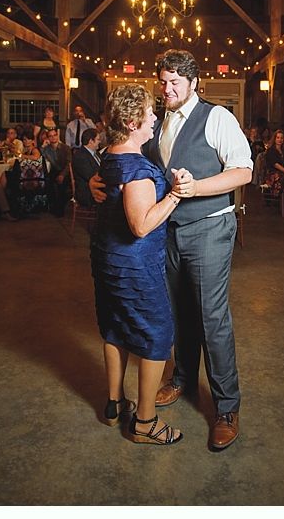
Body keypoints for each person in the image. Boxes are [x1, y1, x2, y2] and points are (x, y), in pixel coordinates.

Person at [94, 49, 253, 450]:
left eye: (175, 83)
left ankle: (226, 407)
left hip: (209, 228)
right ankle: (181, 378)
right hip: (165, 233)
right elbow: (130, 168)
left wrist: (196, 188)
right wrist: (96, 185)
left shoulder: (218, 118)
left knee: (211, 317)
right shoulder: (157, 121)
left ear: (194, 83)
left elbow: (243, 170)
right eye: (162, 82)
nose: (166, 90)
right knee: (175, 309)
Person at [91, 84, 187, 445]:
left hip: (106, 257)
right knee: (158, 333)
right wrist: (176, 194)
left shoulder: (110, 156)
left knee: (115, 327)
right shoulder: (138, 168)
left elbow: (107, 191)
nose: (154, 120)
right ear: (132, 123)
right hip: (134, 265)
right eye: (149, 114)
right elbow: (141, 224)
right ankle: (145, 423)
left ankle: (115, 404)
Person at [41, 128, 71, 217]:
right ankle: (53, 207)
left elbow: (69, 164)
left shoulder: (65, 148)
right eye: (50, 136)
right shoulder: (47, 149)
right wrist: (42, 147)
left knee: (62, 187)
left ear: (57, 136)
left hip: (65, 171)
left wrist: (62, 175)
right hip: (54, 171)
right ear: (48, 138)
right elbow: (41, 156)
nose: (53, 137)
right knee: (48, 183)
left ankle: (59, 209)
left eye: (55, 135)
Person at [71, 128, 102, 208]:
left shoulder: (96, 153)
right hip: (87, 192)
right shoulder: (80, 156)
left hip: (97, 187)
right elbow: (91, 176)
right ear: (91, 141)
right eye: (98, 139)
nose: (100, 142)